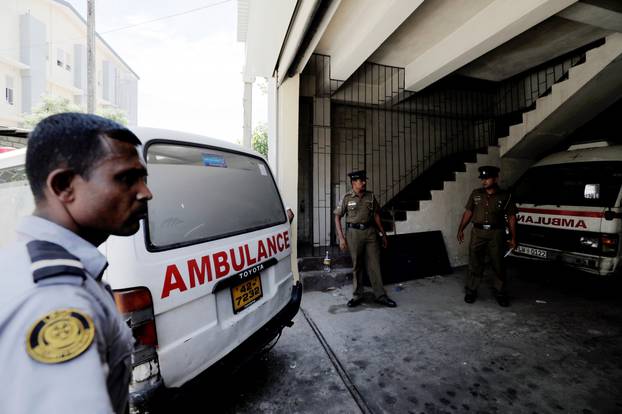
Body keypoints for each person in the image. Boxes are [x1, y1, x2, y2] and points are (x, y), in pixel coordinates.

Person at [0, 113, 153, 413]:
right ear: (63, 186)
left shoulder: (27, 264)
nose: (146, 192)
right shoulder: (55, 300)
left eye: (144, 178)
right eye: (126, 178)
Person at [334, 170, 397, 308]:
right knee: (357, 265)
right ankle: (357, 295)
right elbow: (337, 217)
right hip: (354, 233)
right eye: (361, 180)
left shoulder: (370, 196)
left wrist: (383, 234)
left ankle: (380, 295)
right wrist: (341, 238)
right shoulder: (347, 198)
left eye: (364, 180)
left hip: (370, 233)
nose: (364, 182)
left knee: (375, 263)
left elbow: (376, 216)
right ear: (353, 182)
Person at [457, 165, 517, 307]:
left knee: (498, 263)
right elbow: (468, 212)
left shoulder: (505, 195)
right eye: (482, 178)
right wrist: (461, 229)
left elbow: (511, 217)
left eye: (487, 178)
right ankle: (471, 290)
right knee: (474, 261)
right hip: (477, 233)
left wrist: (513, 238)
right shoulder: (475, 193)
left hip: (496, 234)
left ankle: (500, 292)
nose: (484, 181)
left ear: (495, 178)